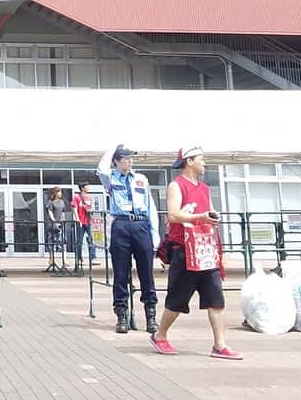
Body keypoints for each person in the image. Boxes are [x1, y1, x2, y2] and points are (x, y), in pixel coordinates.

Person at [151, 147, 242, 360]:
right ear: (189, 161)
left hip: (206, 248)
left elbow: (210, 214)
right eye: (201, 159)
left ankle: (220, 345)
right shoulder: (176, 185)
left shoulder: (204, 188)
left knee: (215, 298)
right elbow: (173, 215)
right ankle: (160, 334)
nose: (204, 164)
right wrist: (199, 217)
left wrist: (220, 245)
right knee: (178, 299)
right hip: (184, 248)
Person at [98, 144, 159, 335]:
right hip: (121, 224)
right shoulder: (111, 178)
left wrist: (154, 233)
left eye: (132, 158)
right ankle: (121, 315)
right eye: (125, 158)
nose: (130, 161)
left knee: (146, 273)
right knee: (121, 273)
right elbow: (100, 169)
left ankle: (151, 315)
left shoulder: (141, 179)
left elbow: (150, 206)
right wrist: (112, 146)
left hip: (140, 224)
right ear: (116, 161)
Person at [70, 183, 98, 274]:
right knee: (79, 241)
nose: (88, 188)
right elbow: (74, 209)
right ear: (82, 188)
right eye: (86, 187)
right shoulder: (77, 197)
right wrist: (78, 220)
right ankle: (78, 258)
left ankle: (93, 257)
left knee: (91, 239)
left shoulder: (89, 197)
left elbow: (90, 209)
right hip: (81, 221)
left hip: (88, 221)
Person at [45, 187, 65, 270]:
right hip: (52, 224)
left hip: (60, 223)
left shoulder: (62, 202)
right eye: (59, 192)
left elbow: (63, 212)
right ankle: (51, 259)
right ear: (55, 193)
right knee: (51, 242)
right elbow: (50, 213)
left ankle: (64, 260)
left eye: (61, 192)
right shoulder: (51, 202)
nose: (60, 194)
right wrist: (54, 221)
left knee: (62, 241)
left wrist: (63, 220)